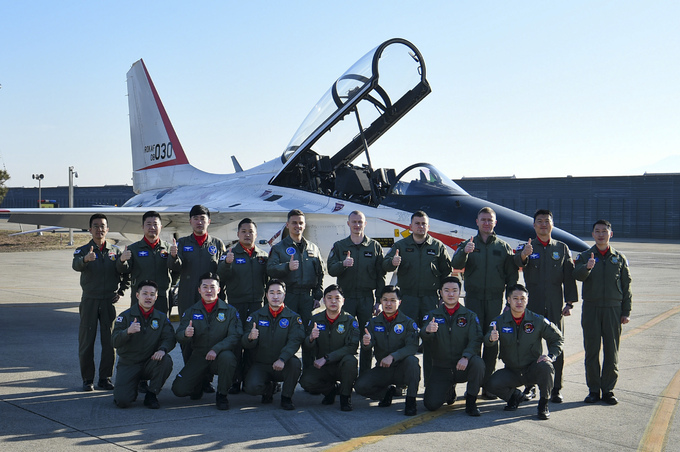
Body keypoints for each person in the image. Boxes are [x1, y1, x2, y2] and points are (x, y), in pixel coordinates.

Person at [451, 206, 518, 396]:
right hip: (473, 300)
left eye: (490, 220)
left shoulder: (503, 247)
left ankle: (487, 385)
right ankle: (473, 385)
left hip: (495, 301)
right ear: (477, 222)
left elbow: (511, 277)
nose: (487, 223)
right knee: (473, 340)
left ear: (495, 222)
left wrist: (509, 303)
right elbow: (455, 264)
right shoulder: (468, 244)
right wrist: (464, 252)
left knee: (491, 342)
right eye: (483, 220)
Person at [514, 209, 578, 403]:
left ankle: (555, 388)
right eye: (539, 221)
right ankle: (530, 386)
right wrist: (523, 255)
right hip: (532, 304)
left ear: (552, 224)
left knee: (556, 344)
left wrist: (569, 303)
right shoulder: (526, 247)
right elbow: (516, 263)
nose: (543, 224)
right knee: (530, 346)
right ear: (534, 225)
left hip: (555, 304)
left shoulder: (561, 248)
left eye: (547, 221)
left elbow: (569, 276)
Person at [382, 210, 451, 386]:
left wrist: (444, 297)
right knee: (403, 340)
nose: (420, 227)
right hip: (408, 299)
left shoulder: (437, 246)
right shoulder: (401, 245)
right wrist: (392, 263)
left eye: (423, 224)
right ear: (410, 226)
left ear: (428, 226)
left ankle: (430, 383)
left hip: (430, 300)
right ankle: (401, 383)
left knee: (431, 341)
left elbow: (446, 272)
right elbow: (385, 264)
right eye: (417, 223)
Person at [168, 204, 226, 396]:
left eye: (203, 218)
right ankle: (193, 377)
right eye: (196, 218)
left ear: (209, 221)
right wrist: (173, 256)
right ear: (190, 221)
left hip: (210, 299)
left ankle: (206, 380)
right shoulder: (183, 243)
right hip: (188, 297)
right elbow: (175, 268)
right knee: (188, 336)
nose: (199, 222)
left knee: (209, 336)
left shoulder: (217, 244)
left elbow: (222, 272)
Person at [573, 219, 632, 405]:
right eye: (597, 231)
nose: (601, 234)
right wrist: (587, 267)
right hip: (591, 308)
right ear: (592, 234)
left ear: (610, 234)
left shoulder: (619, 258)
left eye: (604, 231)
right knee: (591, 351)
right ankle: (593, 390)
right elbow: (577, 275)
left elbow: (626, 285)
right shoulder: (585, 256)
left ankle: (608, 390)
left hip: (613, 309)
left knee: (611, 351)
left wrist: (626, 311)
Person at [484, 284, 564, 420]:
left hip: (532, 369)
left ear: (527, 300)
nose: (519, 302)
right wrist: (491, 339)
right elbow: (487, 339)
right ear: (509, 300)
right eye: (515, 298)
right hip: (512, 371)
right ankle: (514, 397)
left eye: (522, 298)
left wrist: (551, 355)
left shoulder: (537, 320)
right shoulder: (499, 321)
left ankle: (543, 404)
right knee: (491, 384)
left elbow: (557, 338)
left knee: (546, 367)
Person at [72, 213, 129, 392]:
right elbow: (75, 265)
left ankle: (105, 378)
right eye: (95, 226)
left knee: (109, 341)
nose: (99, 229)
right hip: (89, 300)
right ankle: (87, 379)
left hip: (107, 301)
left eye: (102, 226)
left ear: (107, 229)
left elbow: (126, 272)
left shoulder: (115, 251)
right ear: (90, 229)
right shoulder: (83, 250)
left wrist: (121, 291)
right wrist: (85, 260)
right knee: (86, 341)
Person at [172, 272, 242, 410]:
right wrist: (185, 334)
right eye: (205, 287)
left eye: (212, 287)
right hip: (199, 355)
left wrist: (216, 349)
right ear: (199, 290)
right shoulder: (191, 311)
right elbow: (178, 335)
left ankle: (222, 395)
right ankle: (199, 383)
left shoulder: (230, 311)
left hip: (220, 355)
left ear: (219, 289)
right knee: (179, 390)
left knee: (228, 358)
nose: (209, 290)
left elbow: (235, 335)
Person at [327, 210, 385, 375]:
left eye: (360, 222)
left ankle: (365, 375)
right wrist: (343, 264)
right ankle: (344, 373)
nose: (357, 225)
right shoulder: (340, 246)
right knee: (343, 336)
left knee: (367, 338)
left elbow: (380, 276)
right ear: (348, 224)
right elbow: (330, 269)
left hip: (366, 299)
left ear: (365, 224)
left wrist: (378, 301)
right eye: (354, 222)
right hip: (346, 299)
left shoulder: (374, 246)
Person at [267, 209, 324, 369]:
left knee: (308, 336)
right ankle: (281, 370)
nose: (297, 226)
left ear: (304, 225)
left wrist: (317, 296)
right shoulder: (279, 248)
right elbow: (270, 269)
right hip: (288, 297)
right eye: (294, 223)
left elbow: (320, 273)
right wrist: (287, 267)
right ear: (287, 225)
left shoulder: (313, 248)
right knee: (284, 334)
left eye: (300, 223)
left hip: (306, 298)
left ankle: (308, 373)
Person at [217, 218, 269, 393]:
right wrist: (227, 264)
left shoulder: (263, 256)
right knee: (236, 343)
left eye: (251, 231)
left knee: (254, 343)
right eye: (244, 231)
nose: (247, 235)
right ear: (238, 234)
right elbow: (220, 278)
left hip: (256, 306)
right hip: (236, 305)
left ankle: (249, 378)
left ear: (256, 234)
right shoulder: (229, 254)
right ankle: (235, 380)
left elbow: (269, 281)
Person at [421, 276, 484, 416]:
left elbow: (476, 339)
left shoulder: (470, 316)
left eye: (454, 290)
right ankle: (448, 390)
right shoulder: (432, 315)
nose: (451, 294)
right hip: (441, 367)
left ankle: (471, 402)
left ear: (460, 292)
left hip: (462, 366)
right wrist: (427, 331)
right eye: (446, 290)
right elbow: (423, 335)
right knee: (430, 405)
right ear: (440, 293)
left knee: (478, 363)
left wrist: (466, 357)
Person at [354, 285, 420, 416]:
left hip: (402, 369)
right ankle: (385, 394)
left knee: (413, 362)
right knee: (360, 386)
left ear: (399, 302)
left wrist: (393, 356)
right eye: (385, 300)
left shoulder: (408, 323)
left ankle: (411, 401)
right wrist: (366, 343)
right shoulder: (373, 323)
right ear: (381, 301)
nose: (388, 304)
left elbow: (412, 347)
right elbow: (369, 344)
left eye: (392, 300)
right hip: (384, 369)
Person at [242, 279, 305, 410]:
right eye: (272, 293)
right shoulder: (255, 316)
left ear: (284, 295)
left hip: (283, 364)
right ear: (266, 295)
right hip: (261, 364)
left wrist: (282, 358)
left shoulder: (293, 318)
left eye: (279, 293)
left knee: (295, 364)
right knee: (251, 388)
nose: (275, 296)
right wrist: (250, 338)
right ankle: (269, 389)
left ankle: (286, 397)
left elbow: (295, 341)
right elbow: (244, 343)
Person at [111, 280, 175, 409]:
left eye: (152, 294)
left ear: (156, 297)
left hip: (149, 362)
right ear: (137, 295)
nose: (148, 297)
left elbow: (170, 338)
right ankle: (132, 385)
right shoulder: (125, 317)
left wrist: (162, 349)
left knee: (166, 360)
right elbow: (114, 342)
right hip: (129, 363)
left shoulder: (161, 318)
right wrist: (127, 332)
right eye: (145, 294)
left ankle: (152, 394)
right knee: (123, 401)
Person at [299, 285, 359, 411]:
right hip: (323, 367)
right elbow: (307, 346)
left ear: (343, 301)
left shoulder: (350, 321)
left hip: (340, 365)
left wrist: (327, 358)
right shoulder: (316, 320)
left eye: (337, 298)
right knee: (306, 381)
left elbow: (352, 347)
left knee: (351, 361)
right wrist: (311, 339)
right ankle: (330, 391)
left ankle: (345, 397)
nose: (333, 301)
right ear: (324, 301)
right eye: (329, 298)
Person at [117, 211, 173, 313]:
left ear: (161, 227)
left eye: (155, 224)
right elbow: (124, 270)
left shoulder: (169, 248)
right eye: (148, 224)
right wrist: (122, 261)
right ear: (143, 227)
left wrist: (169, 284)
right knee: (138, 322)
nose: (152, 227)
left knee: (161, 322)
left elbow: (177, 269)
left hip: (161, 297)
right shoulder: (133, 249)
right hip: (140, 297)